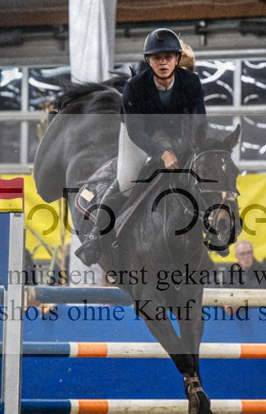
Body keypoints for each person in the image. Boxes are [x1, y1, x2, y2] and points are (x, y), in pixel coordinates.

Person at [74, 27, 207, 265]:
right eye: (159, 60)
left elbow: (198, 124)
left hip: (172, 136)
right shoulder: (136, 87)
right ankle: (96, 238)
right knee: (127, 182)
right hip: (137, 134)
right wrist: (162, 153)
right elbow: (138, 131)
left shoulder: (191, 84)